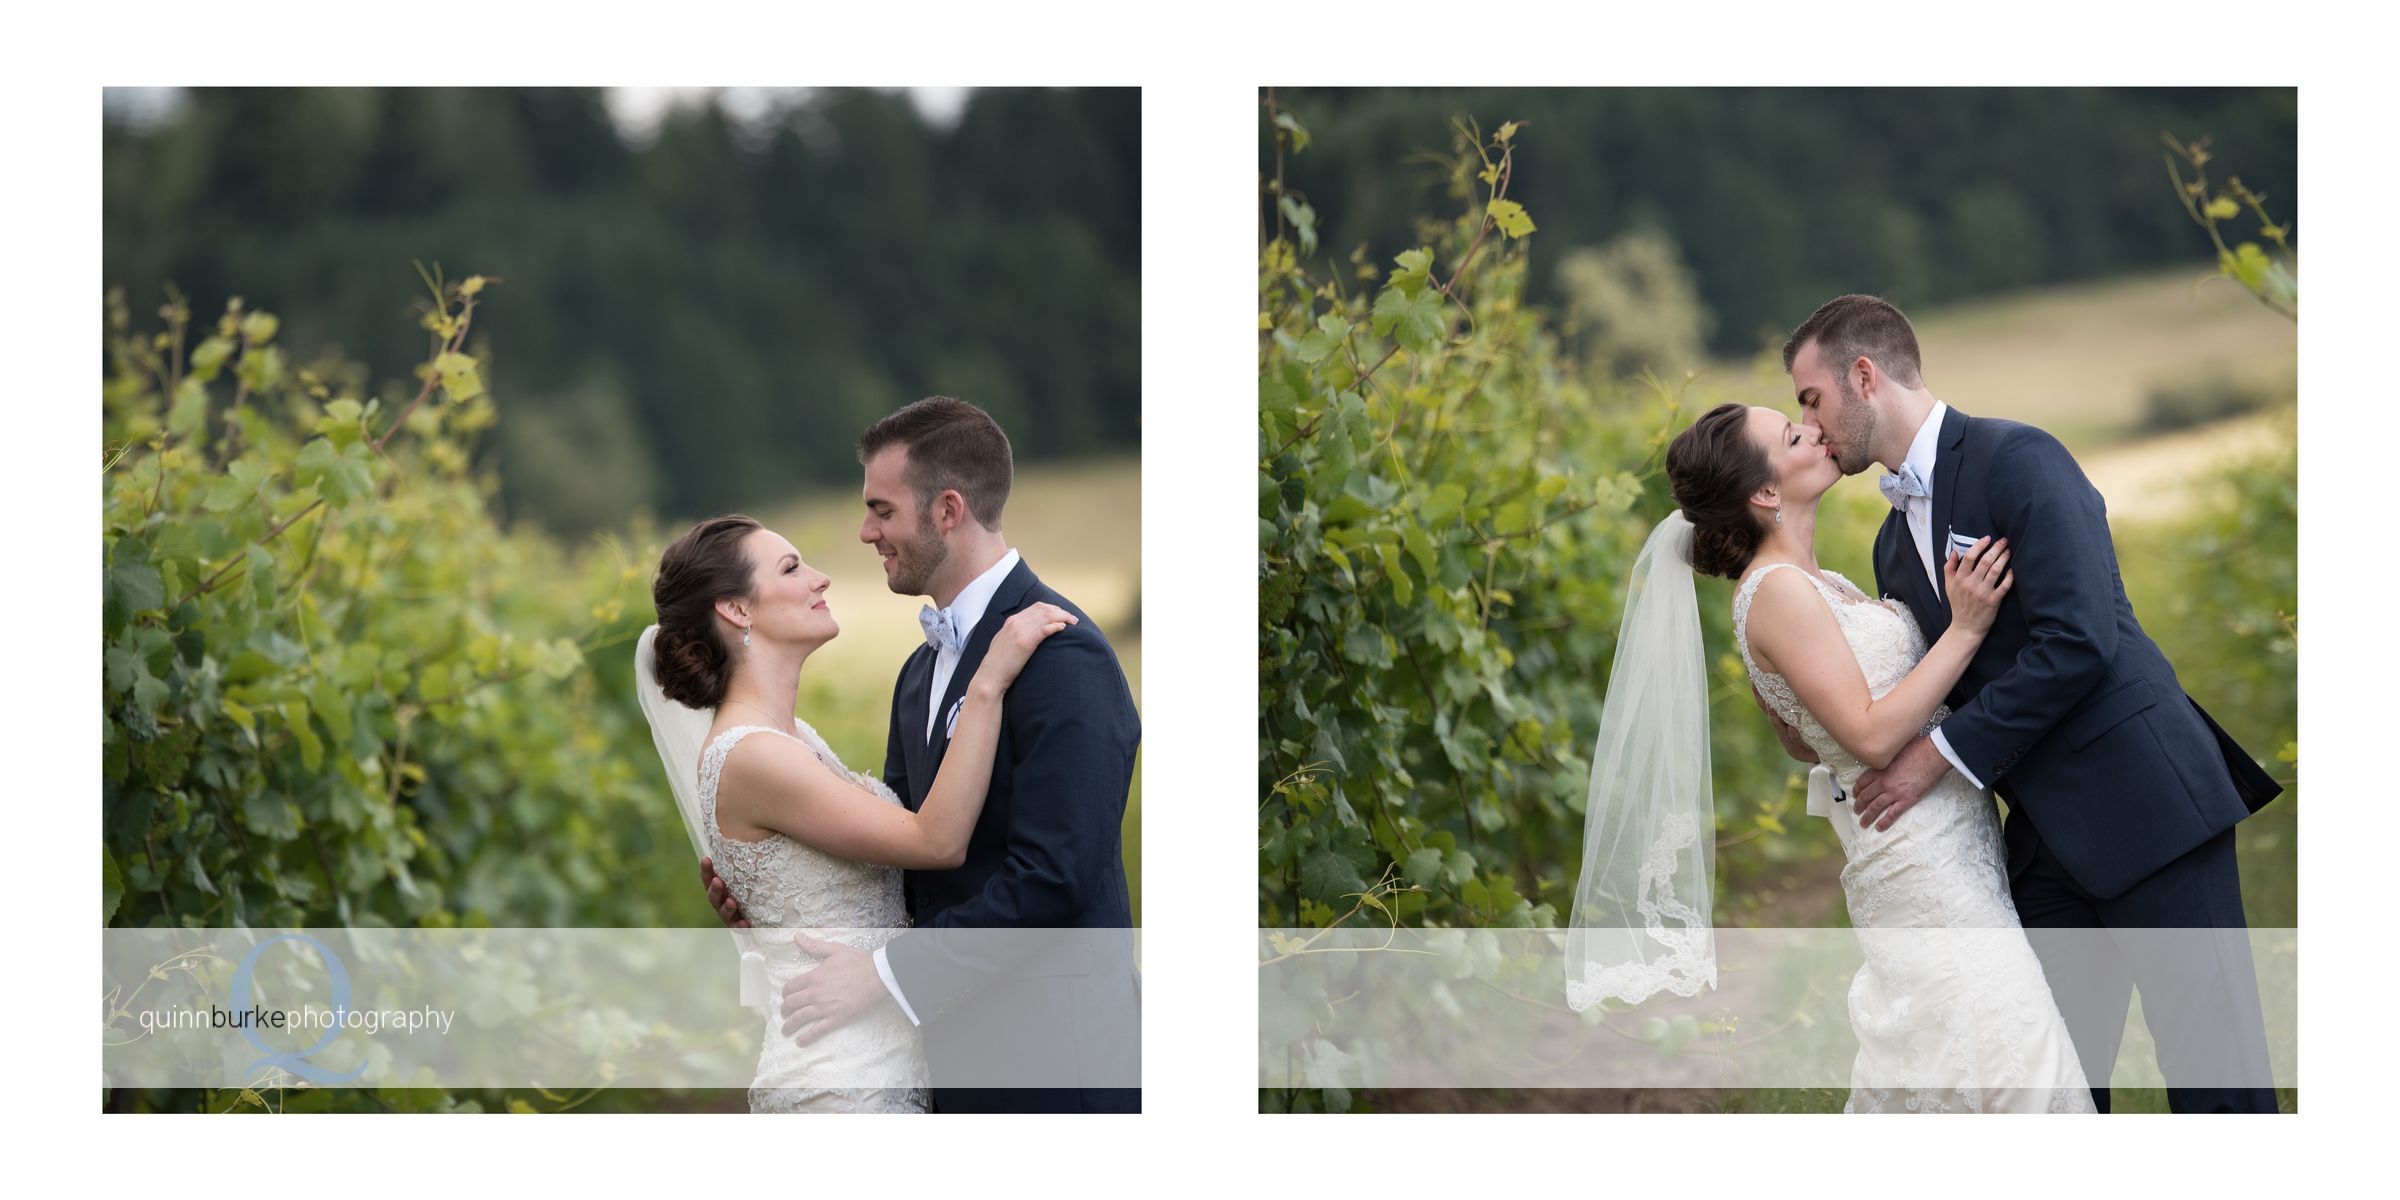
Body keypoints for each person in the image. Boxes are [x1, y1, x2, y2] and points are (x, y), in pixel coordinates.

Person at [1779, 294, 2280, 1113]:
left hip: (2148, 805)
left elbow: (2081, 639)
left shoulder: (2018, 458)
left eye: (1812, 398)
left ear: (1863, 376)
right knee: (2053, 1089)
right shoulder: (1886, 545)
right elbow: (1927, 681)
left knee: (2216, 1076)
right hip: (2042, 844)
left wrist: (1934, 760)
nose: (1811, 421)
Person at [698, 396, 1142, 1114]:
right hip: (946, 1062)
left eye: (882, 510)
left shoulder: (1065, 656)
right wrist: (779, 889)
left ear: (947, 511)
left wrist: (886, 974)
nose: (865, 532)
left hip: (1054, 1064)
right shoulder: (918, 676)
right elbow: (907, 863)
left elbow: (1055, 876)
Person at [644, 512, 1075, 1112]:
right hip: (838, 1085)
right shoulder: (753, 756)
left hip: (885, 1066)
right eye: (793, 568)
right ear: (737, 610)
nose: (821, 578)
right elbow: (935, 841)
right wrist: (987, 682)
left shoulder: (796, 738)